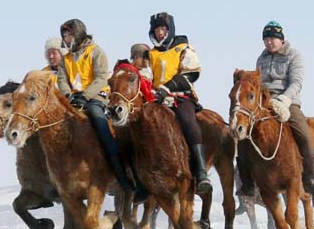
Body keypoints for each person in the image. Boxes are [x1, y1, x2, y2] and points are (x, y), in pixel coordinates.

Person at [238, 21, 314, 197]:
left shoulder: (294, 55)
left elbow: (296, 81)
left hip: (288, 101)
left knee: (303, 132)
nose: (269, 42)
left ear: (281, 39)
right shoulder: (261, 58)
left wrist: (284, 99)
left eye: (272, 39)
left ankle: (310, 178)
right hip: (264, 103)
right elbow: (257, 84)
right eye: (266, 39)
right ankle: (247, 182)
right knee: (242, 135)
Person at [56, 18, 135, 194]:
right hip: (72, 101)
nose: (66, 38)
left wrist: (85, 96)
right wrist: (70, 96)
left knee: (101, 125)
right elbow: (61, 79)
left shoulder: (96, 52)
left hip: (95, 98)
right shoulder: (65, 59)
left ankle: (121, 176)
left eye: (69, 34)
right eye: (64, 35)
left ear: (77, 34)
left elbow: (101, 78)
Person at [146, 11, 212, 195]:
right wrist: (150, 91)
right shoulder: (150, 53)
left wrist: (167, 88)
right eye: (157, 29)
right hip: (155, 99)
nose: (160, 33)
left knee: (189, 123)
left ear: (170, 29)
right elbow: (145, 75)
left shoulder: (183, 47)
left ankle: (200, 172)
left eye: (163, 29)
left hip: (180, 96)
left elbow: (191, 74)